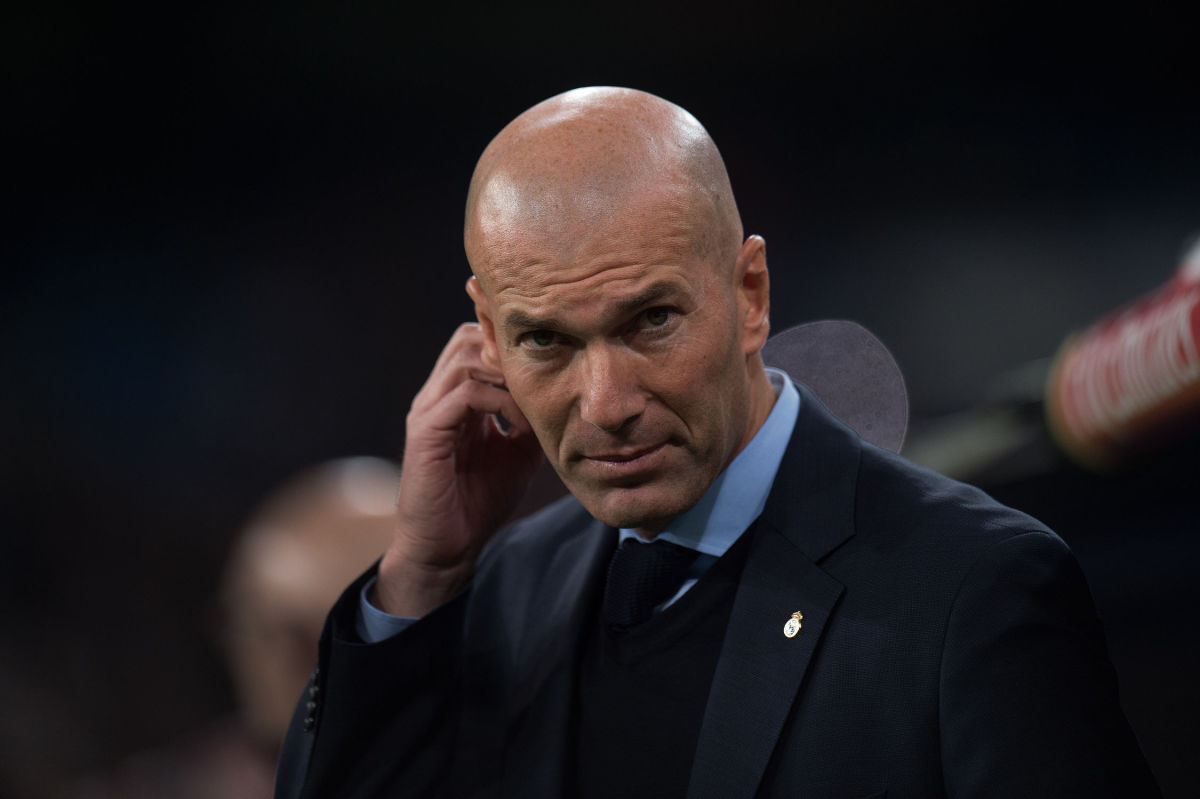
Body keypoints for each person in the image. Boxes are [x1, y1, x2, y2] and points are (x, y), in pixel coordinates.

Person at [276, 87, 1160, 798]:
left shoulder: (973, 587)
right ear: (488, 335)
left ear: (750, 293)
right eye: (545, 340)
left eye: (652, 320)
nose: (607, 403)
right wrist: (421, 575)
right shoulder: (506, 587)